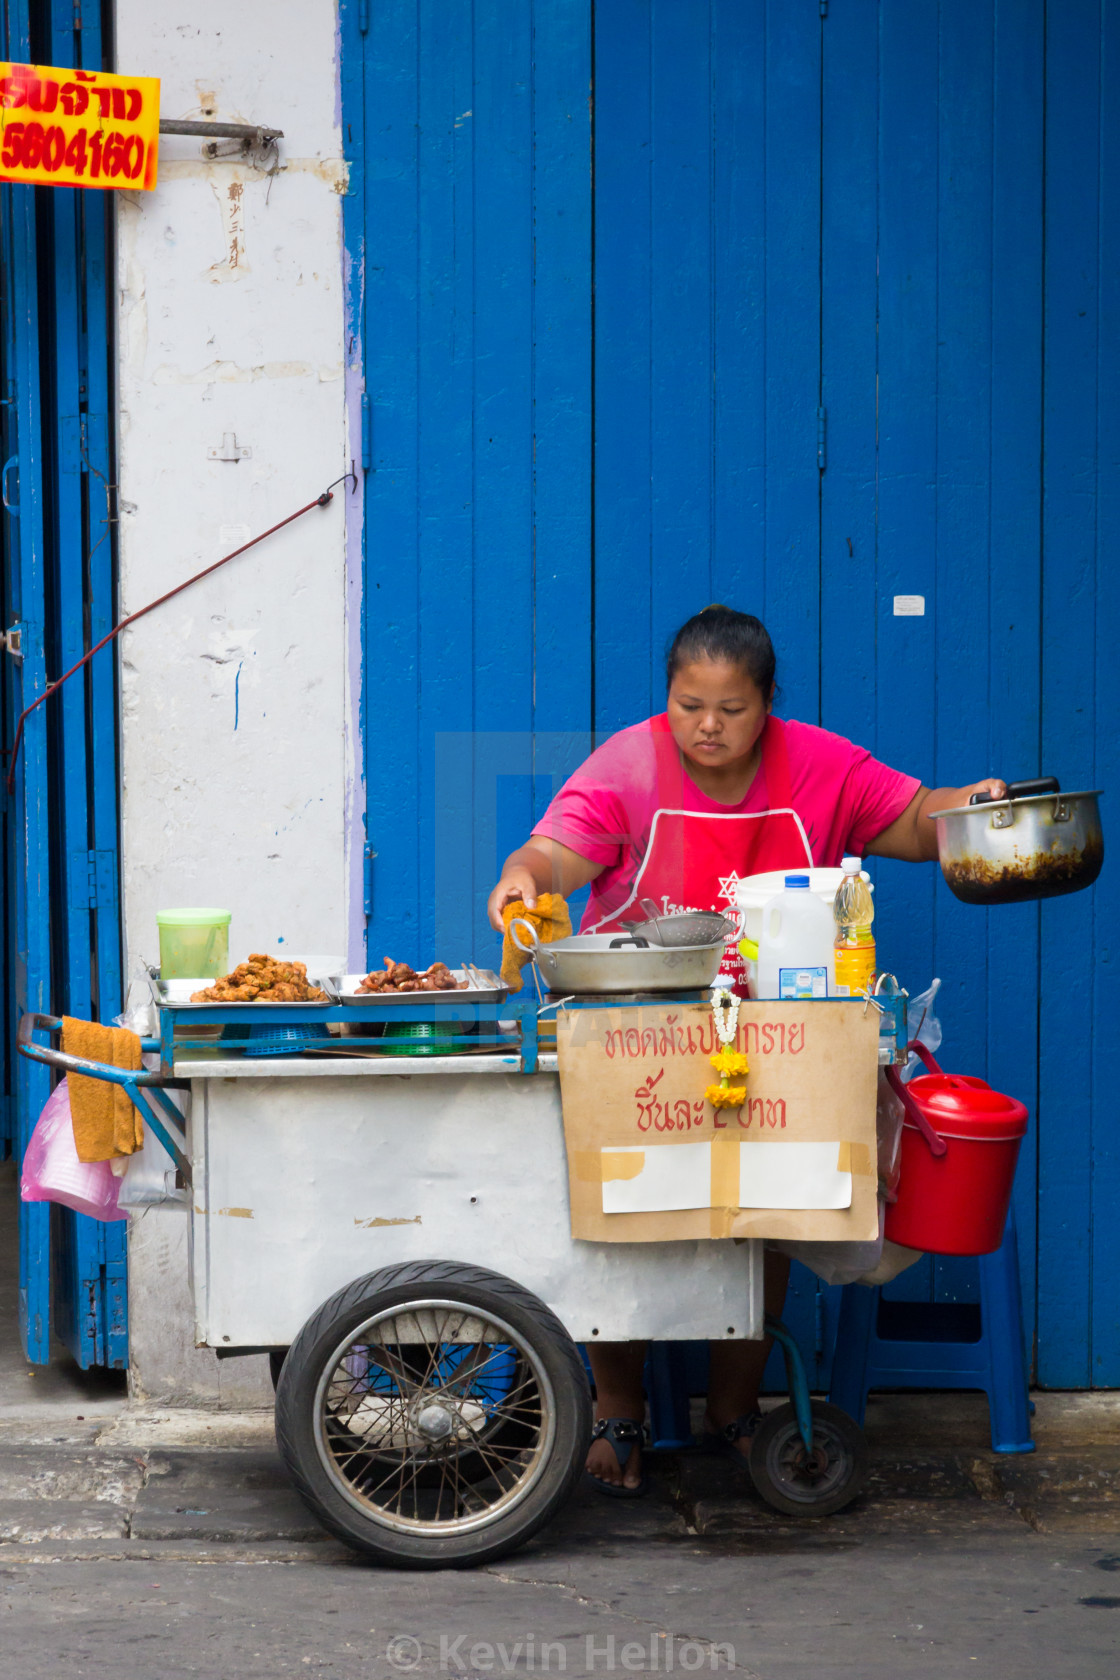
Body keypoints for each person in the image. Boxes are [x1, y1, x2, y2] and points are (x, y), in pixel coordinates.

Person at [487, 606, 1004, 1495]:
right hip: (639, 1033)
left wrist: (974, 806)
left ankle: (734, 1408)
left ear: (769, 701)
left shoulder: (822, 765)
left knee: (767, 1212)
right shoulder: (628, 763)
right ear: (669, 698)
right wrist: (524, 877)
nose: (708, 727)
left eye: (731, 707)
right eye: (690, 706)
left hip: (778, 1037)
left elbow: (918, 820)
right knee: (622, 1214)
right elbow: (559, 852)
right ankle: (621, 1407)